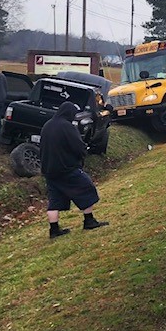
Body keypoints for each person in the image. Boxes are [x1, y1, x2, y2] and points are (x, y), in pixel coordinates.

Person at [40, 100, 108, 238]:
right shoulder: (67, 126)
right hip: (66, 168)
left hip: (49, 170)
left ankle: (54, 230)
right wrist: (84, 153)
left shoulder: (47, 125)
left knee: (55, 199)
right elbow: (78, 146)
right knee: (87, 188)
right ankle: (89, 220)